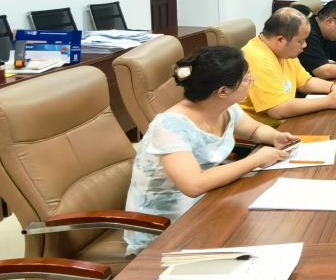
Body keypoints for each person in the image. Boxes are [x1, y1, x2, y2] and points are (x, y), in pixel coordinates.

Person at [124, 46, 298, 254]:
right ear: (223, 91)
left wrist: (274, 137)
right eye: (246, 79)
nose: (251, 81)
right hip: (165, 227)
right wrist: (256, 160)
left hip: (208, 204)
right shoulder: (170, 126)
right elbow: (193, 184)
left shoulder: (225, 107)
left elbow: (253, 130)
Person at [240, 7, 336, 126]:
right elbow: (277, 110)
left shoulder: (283, 51)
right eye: (301, 41)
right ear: (280, 40)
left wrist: (334, 86)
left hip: (286, 122)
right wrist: (327, 102)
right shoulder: (257, 58)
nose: (305, 45)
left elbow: (305, 82)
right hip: (264, 131)